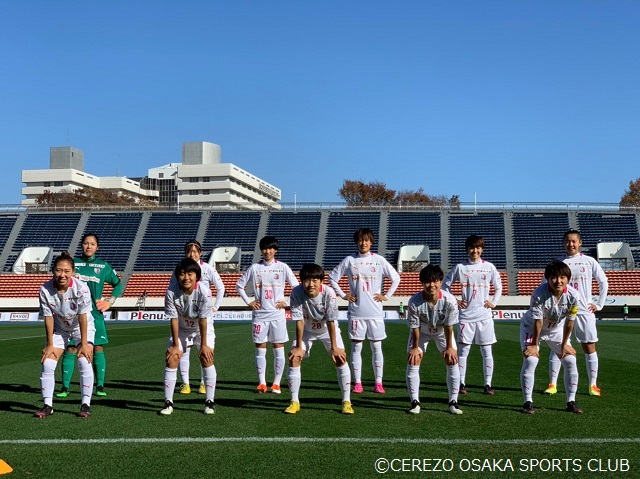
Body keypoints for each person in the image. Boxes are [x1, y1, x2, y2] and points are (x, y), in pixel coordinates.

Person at [329, 228, 400, 394]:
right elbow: (332, 278)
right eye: (361, 240)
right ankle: (358, 382)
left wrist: (386, 296)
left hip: (375, 312)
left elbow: (396, 278)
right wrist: (343, 295)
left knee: (377, 348)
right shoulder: (349, 261)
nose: (363, 243)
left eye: (366, 240)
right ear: (357, 242)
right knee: (356, 348)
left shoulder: (379, 260)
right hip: (356, 313)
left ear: (371, 241)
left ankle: (378, 382)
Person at [56, 233, 123, 398]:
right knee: (71, 348)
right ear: (81, 245)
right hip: (72, 314)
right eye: (86, 243)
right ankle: (65, 387)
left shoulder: (103, 266)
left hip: (94, 314)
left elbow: (118, 284)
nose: (89, 246)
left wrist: (109, 301)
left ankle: (99, 386)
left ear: (97, 247)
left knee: (98, 348)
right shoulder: (74, 263)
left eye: (92, 244)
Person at [544, 229, 608, 397]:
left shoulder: (589, 261)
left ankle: (592, 385)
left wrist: (599, 304)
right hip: (562, 311)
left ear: (580, 243)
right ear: (563, 243)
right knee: (558, 346)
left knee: (589, 346)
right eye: (567, 241)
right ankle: (552, 383)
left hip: (583, 311)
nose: (570, 244)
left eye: (574, 241)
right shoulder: (559, 264)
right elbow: (547, 286)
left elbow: (603, 281)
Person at [285, 264, 353, 415]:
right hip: (307, 331)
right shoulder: (296, 293)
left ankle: (346, 401)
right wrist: (298, 346)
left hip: (327, 330)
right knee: (294, 358)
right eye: (307, 280)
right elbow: (299, 321)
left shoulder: (329, 293)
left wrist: (334, 347)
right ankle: (294, 402)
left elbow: (330, 321)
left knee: (340, 358)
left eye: (315, 280)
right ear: (301, 281)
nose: (311, 284)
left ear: (321, 281)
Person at [236, 236, 299, 394]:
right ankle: (262, 383)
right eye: (264, 248)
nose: (267, 251)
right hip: (259, 315)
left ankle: (276, 383)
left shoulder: (283, 267)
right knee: (260, 348)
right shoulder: (255, 268)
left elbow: (296, 286)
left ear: (275, 250)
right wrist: (249, 302)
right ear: (261, 250)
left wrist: (286, 301)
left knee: (278, 348)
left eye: (270, 248)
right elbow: (239, 285)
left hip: (277, 315)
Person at [35, 252, 94, 418]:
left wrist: (83, 343)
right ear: (53, 271)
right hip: (60, 327)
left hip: (82, 326)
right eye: (59, 270)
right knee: (47, 362)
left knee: (84, 358)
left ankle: (85, 404)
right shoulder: (45, 290)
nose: (62, 275)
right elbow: (48, 318)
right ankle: (47, 405)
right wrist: (49, 344)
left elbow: (83, 317)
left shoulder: (81, 288)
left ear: (73, 272)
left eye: (67, 271)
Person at [520, 260, 583, 415]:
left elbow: (570, 321)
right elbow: (538, 321)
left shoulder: (574, 296)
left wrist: (564, 343)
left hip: (556, 330)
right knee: (531, 360)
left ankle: (571, 401)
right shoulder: (538, 294)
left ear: (568, 278)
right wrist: (534, 345)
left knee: (570, 360)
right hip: (532, 328)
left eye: (562, 277)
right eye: (554, 277)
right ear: (547, 278)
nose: (558, 281)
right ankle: (528, 402)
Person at [442, 234, 502, 395]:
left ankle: (487, 384)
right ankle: (461, 383)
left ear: (482, 249)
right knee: (463, 351)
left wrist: (493, 302)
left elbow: (498, 287)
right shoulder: (460, 267)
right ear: (467, 249)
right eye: (471, 248)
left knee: (486, 351)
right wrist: (455, 300)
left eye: (478, 248)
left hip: (484, 316)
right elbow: (445, 286)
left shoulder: (489, 267)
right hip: (465, 317)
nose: (474, 251)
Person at [160, 258, 217, 415]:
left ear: (197, 276)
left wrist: (204, 344)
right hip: (182, 329)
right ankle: (168, 403)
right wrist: (175, 345)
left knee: (206, 357)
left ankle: (210, 401)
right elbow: (174, 319)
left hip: (201, 329)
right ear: (178, 276)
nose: (186, 277)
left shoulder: (205, 292)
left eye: (190, 273)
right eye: (182, 274)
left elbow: (204, 321)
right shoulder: (171, 292)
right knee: (172, 357)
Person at [169, 240, 225, 396]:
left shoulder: (208, 269)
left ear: (200, 253)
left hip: (202, 315)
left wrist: (215, 307)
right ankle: (185, 383)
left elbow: (221, 288)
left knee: (204, 351)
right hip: (185, 317)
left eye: (195, 251)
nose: (192, 254)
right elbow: (172, 290)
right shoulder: (179, 270)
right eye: (189, 251)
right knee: (184, 352)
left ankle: (203, 383)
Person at [406, 264, 463, 415]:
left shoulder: (450, 300)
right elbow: (415, 328)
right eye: (428, 281)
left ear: (440, 281)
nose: (432, 285)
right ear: (422, 283)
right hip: (422, 332)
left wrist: (450, 347)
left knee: (452, 359)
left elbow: (449, 327)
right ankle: (415, 402)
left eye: (435, 281)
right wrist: (415, 347)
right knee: (414, 359)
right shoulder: (414, 301)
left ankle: (453, 402)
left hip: (442, 332)